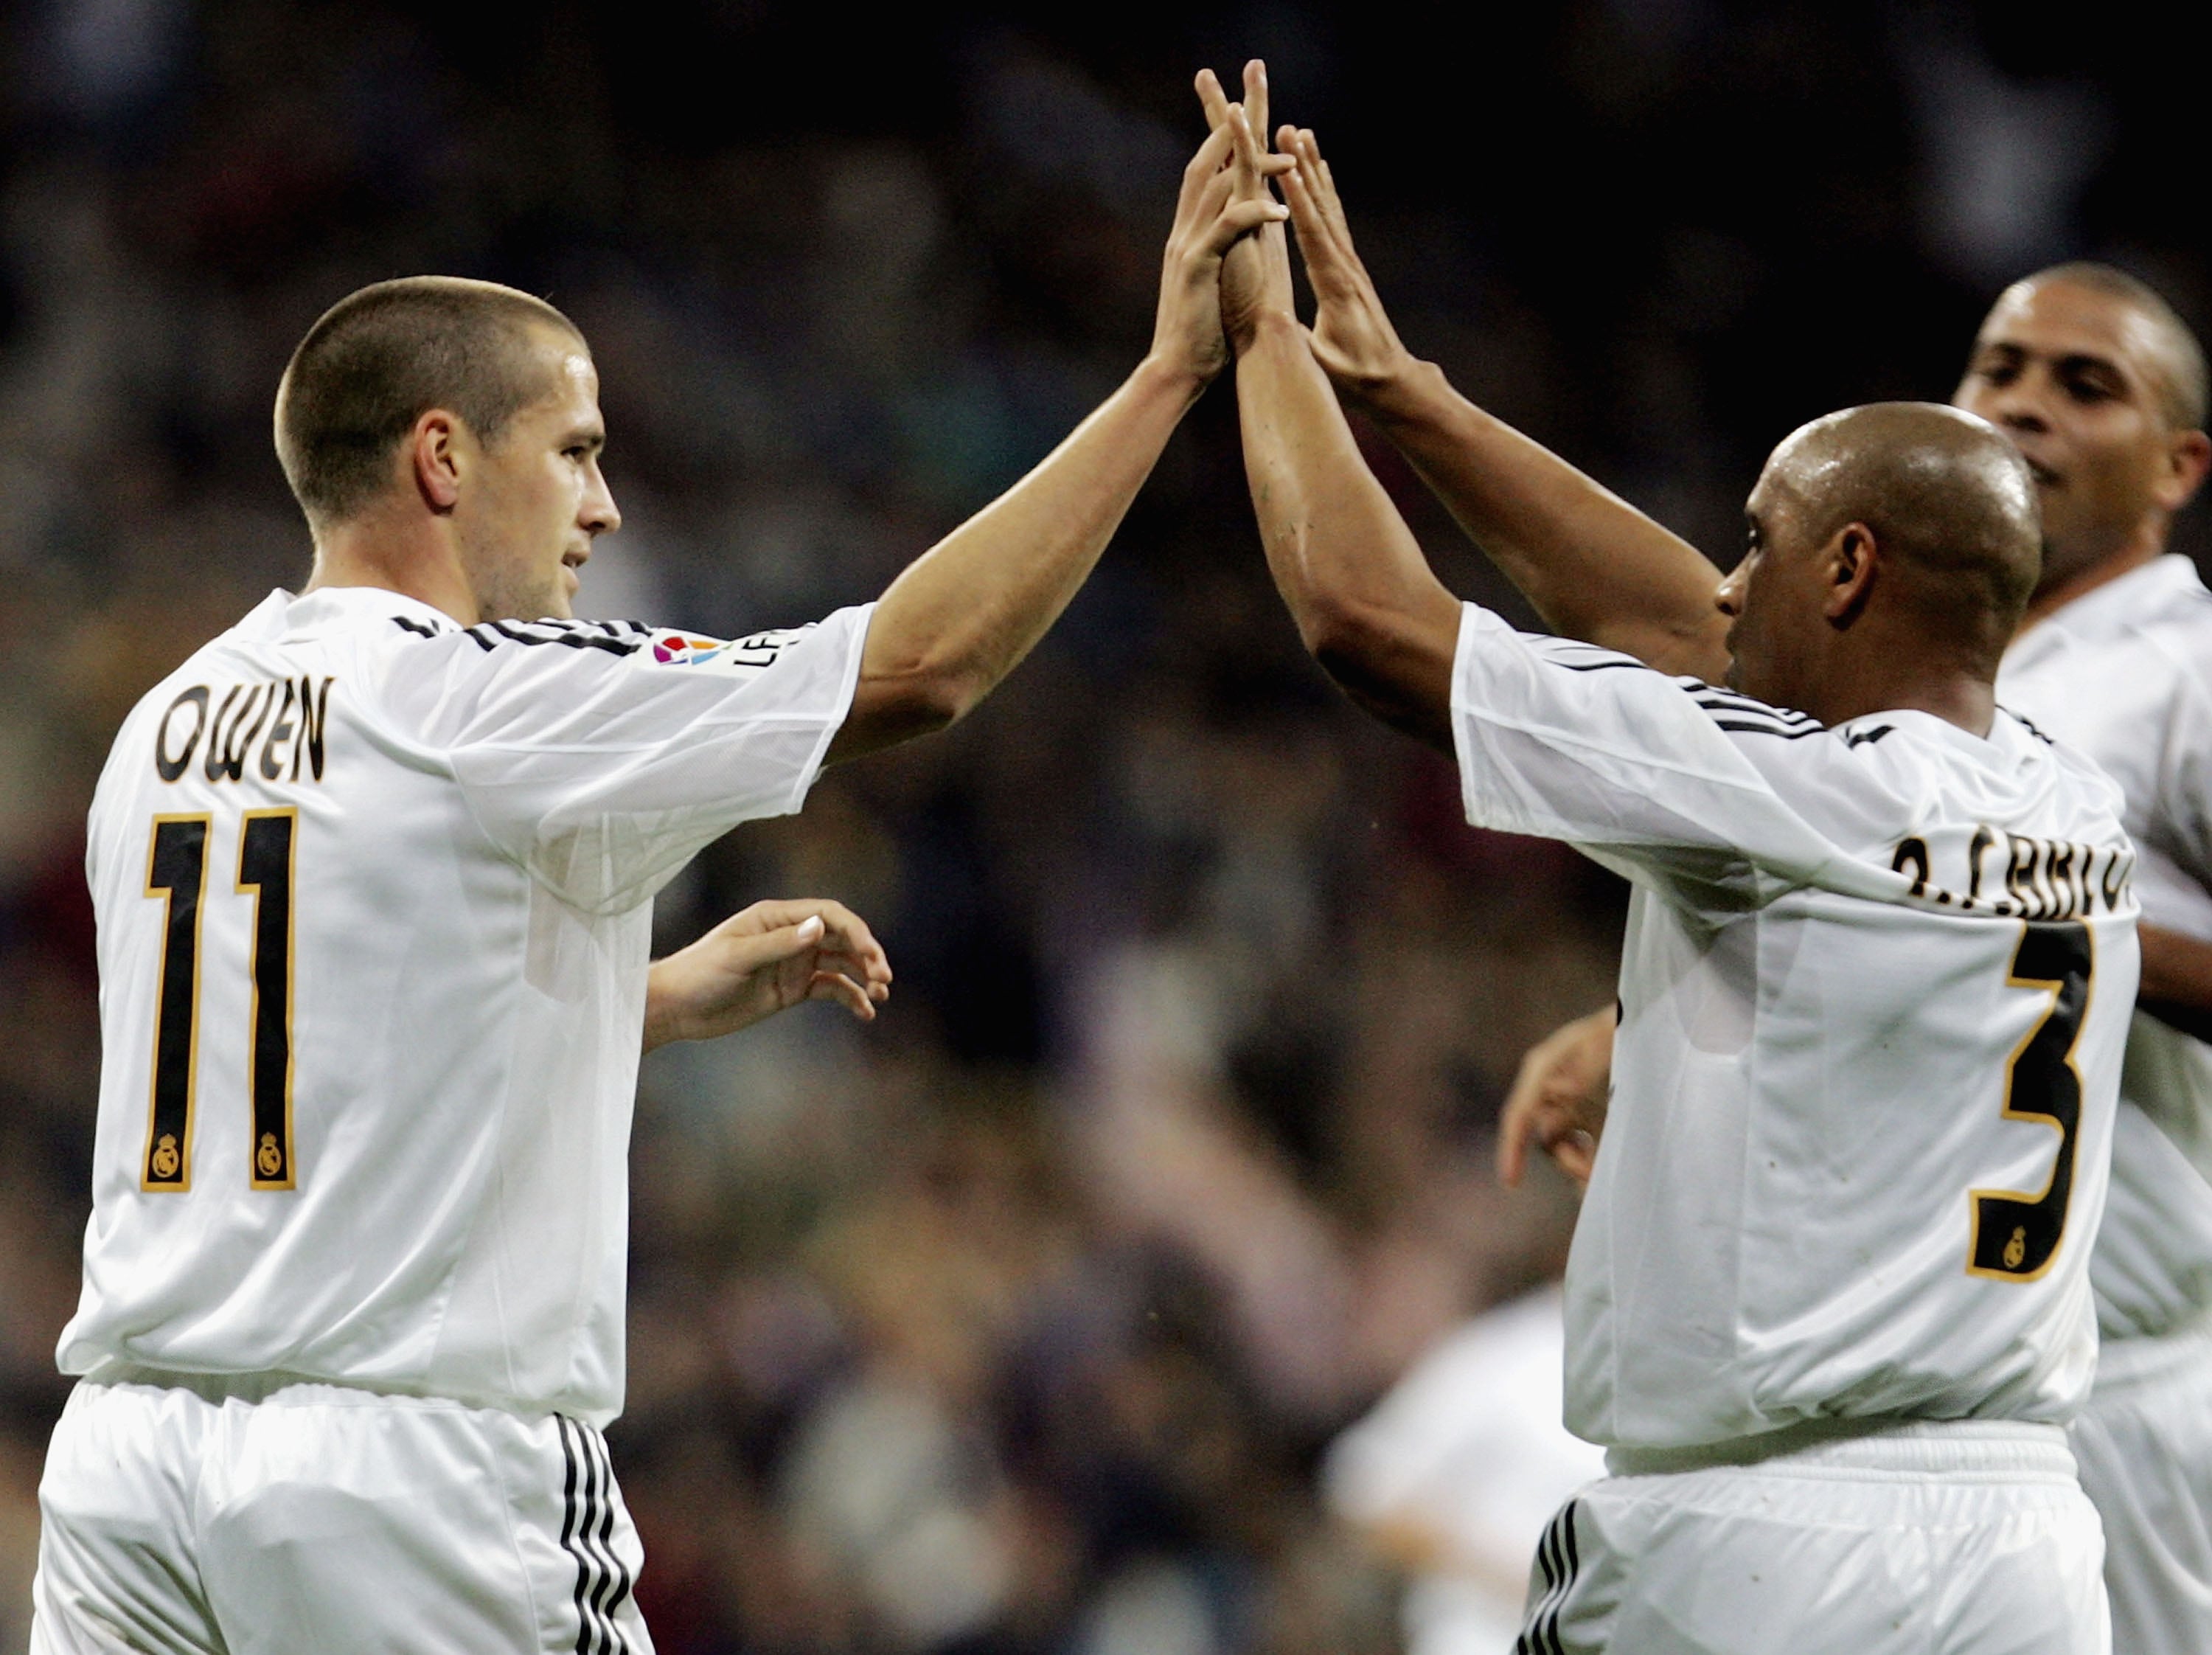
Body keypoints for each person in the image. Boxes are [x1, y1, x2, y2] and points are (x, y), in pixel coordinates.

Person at [28, 111, 1290, 1654]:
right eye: (573, 452)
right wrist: (1167, 375)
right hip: (408, 1476)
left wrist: (643, 1001)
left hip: (132, 1468)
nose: (604, 507)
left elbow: (308, 1041)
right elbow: (917, 666)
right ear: (442, 456)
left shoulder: (165, 721)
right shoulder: (481, 692)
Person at [1207, 68, 2140, 1653]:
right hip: (2024, 1549)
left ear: (1848, 569)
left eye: (1761, 538)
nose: (1730, 575)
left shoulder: (1793, 804)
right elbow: (1681, 625)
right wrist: (1414, 396)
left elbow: (1365, 620)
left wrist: (1265, 336)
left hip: (1764, 1543)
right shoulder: (2071, 802)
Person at [1490, 263, 2212, 1649]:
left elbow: (1924, 898)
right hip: (1949, 1415)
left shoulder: (2181, 671)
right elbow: (1696, 642)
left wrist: (2056, 922)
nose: (2026, 405)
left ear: (2180, 464)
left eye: (2086, 383)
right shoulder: (1933, 674)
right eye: (2002, 368)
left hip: (2114, 1386)